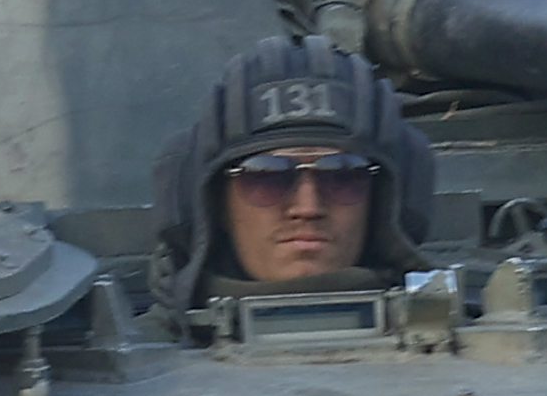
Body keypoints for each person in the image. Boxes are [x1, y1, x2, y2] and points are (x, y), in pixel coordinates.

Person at [150, 36, 445, 314]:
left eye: (343, 176)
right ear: (218, 205)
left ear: (381, 201)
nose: (307, 208)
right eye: (266, 177)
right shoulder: (144, 358)